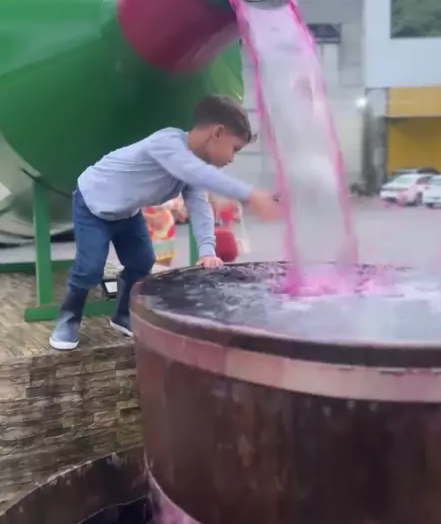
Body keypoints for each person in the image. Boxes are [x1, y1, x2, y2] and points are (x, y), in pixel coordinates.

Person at [49, 94, 281, 351]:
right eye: (234, 149)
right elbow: (198, 174)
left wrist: (207, 251)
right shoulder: (167, 144)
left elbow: (199, 205)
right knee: (90, 268)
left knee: (142, 262)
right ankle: (69, 318)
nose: (232, 158)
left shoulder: (193, 167)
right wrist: (250, 194)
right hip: (92, 204)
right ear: (217, 132)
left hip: (127, 212)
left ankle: (124, 315)